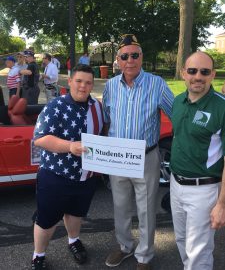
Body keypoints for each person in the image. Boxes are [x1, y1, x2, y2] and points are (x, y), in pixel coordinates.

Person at [102, 34, 174, 270]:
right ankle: (125, 246)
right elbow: (106, 120)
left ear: (142, 57)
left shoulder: (157, 84)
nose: (130, 60)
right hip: (118, 157)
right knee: (120, 206)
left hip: (146, 157)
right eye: (124, 56)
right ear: (118, 60)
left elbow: (176, 114)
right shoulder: (111, 86)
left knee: (146, 209)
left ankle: (144, 255)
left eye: (135, 55)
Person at [31, 64, 103, 270]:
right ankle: (39, 255)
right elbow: (40, 139)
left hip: (86, 176)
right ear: (69, 82)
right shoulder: (56, 106)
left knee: (75, 213)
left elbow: (102, 134)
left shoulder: (96, 107)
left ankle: (73, 241)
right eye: (79, 81)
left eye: (88, 82)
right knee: (46, 220)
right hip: (56, 175)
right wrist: (70, 146)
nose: (83, 86)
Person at [169, 51, 225, 270]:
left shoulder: (221, 107)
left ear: (213, 75)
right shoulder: (177, 102)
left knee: (199, 252)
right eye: (192, 71)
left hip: (204, 190)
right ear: (184, 73)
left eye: (204, 71)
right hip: (176, 185)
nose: (198, 76)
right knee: (182, 242)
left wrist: (221, 204)